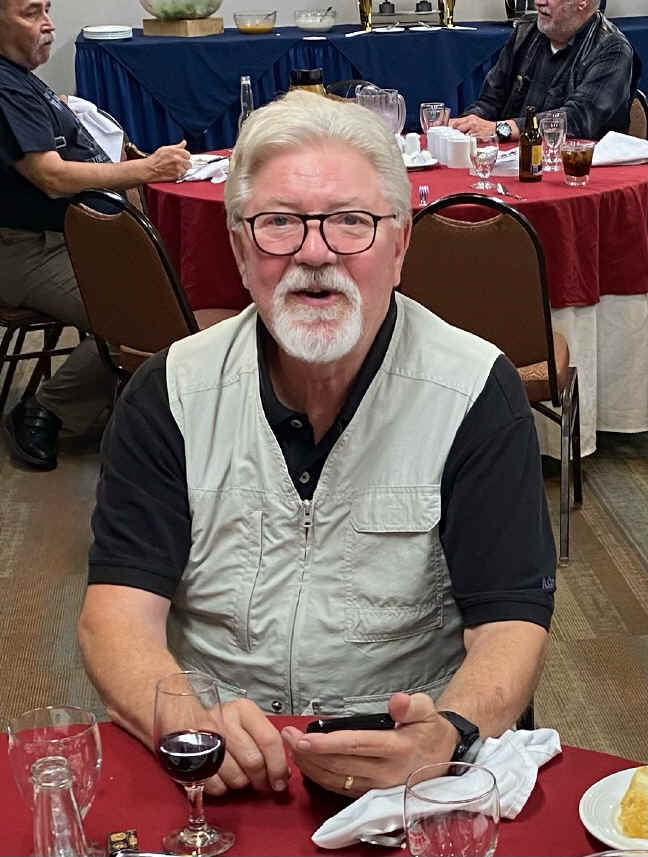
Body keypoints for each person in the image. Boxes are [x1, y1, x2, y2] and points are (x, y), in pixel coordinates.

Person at [79, 89, 556, 799]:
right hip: (215, 768)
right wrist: (186, 726)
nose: (314, 252)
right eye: (278, 222)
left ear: (400, 245)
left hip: (403, 777)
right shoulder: (170, 391)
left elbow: (510, 621)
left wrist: (448, 733)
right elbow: (116, 613)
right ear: (239, 249)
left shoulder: (473, 391)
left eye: (351, 222)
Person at [0, 0, 190, 471]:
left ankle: (140, 395)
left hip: (74, 238)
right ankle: (45, 409)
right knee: (152, 315)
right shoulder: (3, 87)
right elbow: (51, 177)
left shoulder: (21, 78)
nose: (48, 24)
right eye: (31, 13)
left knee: (180, 288)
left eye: (47, 9)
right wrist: (146, 170)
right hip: (26, 249)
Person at [450, 0, 638, 142]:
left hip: (577, 169)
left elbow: (578, 118)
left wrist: (501, 129)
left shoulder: (613, 50)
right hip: (514, 162)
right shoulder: (525, 32)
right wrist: (463, 125)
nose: (538, 2)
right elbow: (491, 100)